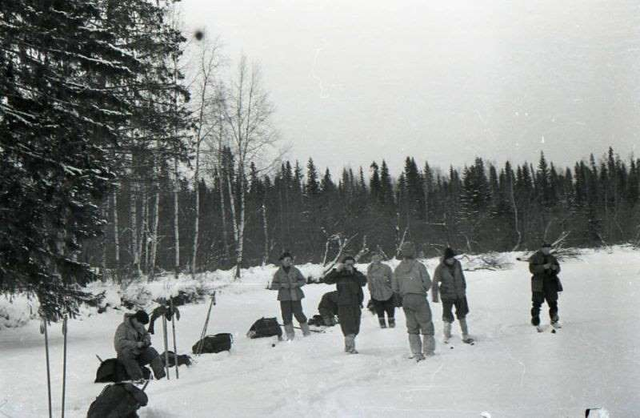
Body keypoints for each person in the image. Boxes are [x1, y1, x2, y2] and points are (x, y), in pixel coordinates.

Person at [392, 242, 435, 362]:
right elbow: (427, 283)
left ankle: (416, 352)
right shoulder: (419, 266)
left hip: (406, 299)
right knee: (426, 324)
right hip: (419, 297)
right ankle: (429, 351)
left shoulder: (398, 269)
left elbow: (394, 287)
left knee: (412, 327)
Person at [323, 256, 368, 354]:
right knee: (348, 326)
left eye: (352, 264)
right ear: (343, 264)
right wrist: (336, 271)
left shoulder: (356, 274)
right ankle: (350, 348)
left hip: (355, 303)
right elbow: (326, 280)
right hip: (343, 304)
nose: (349, 266)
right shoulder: (339, 275)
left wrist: (353, 273)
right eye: (347, 264)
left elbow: (364, 281)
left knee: (356, 326)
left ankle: (349, 346)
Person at [432, 247, 473, 344]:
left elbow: (461, 277)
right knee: (447, 316)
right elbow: (434, 282)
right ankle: (447, 335)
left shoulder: (457, 264)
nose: (451, 260)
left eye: (452, 258)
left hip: (459, 294)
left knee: (462, 314)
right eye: (449, 259)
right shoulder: (440, 268)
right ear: (445, 259)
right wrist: (435, 297)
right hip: (447, 295)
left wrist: (463, 288)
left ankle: (465, 335)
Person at [114, 310, 166, 381]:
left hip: (139, 354)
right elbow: (119, 344)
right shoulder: (122, 328)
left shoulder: (140, 326)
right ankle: (138, 379)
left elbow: (146, 334)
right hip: (125, 357)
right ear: (135, 320)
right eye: (141, 324)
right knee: (126, 353)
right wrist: (136, 344)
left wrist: (146, 341)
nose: (142, 326)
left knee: (152, 352)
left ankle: (161, 377)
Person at [269, 251, 310, 340]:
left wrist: (296, 284)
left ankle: (307, 333)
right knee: (286, 316)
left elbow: (303, 281)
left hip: (296, 296)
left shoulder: (296, 270)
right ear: (282, 261)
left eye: (290, 260)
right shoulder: (278, 273)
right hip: (284, 298)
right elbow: (273, 286)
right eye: (286, 260)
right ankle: (290, 335)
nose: (288, 261)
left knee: (299, 314)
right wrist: (281, 285)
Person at [528, 242, 563, 330]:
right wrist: (543, 267)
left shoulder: (552, 257)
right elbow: (532, 269)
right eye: (545, 248)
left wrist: (555, 268)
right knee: (537, 303)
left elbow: (558, 268)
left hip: (551, 282)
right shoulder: (534, 257)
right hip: (538, 283)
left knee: (553, 302)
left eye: (548, 248)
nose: (547, 250)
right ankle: (535, 321)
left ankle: (554, 320)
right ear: (541, 248)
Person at [366, 251, 396, 328]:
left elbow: (392, 279)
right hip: (376, 292)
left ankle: (391, 322)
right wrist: (371, 290)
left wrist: (392, 289)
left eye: (377, 257)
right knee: (379, 309)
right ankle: (382, 323)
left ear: (380, 258)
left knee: (389, 307)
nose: (375, 259)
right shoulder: (369, 268)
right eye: (373, 257)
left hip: (387, 291)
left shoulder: (386, 268)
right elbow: (369, 281)